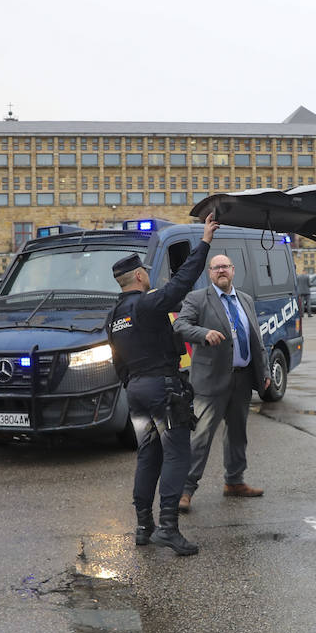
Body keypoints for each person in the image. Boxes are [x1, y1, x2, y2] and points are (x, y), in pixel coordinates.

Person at [107, 213, 216, 556]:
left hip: (136, 394)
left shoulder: (114, 316)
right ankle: (168, 528)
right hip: (162, 391)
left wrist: (134, 384)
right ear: (139, 275)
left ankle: (144, 527)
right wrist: (205, 242)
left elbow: (117, 362)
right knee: (177, 454)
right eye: (146, 274)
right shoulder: (148, 304)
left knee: (148, 456)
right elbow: (181, 282)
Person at [172, 253, 270, 512]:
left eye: (225, 266)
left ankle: (234, 482)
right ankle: (185, 490)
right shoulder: (197, 298)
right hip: (210, 381)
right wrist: (203, 334)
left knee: (238, 435)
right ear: (210, 273)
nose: (221, 271)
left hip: (242, 378)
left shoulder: (245, 299)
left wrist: (265, 371)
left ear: (233, 270)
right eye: (216, 268)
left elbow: (257, 340)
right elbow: (180, 325)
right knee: (201, 438)